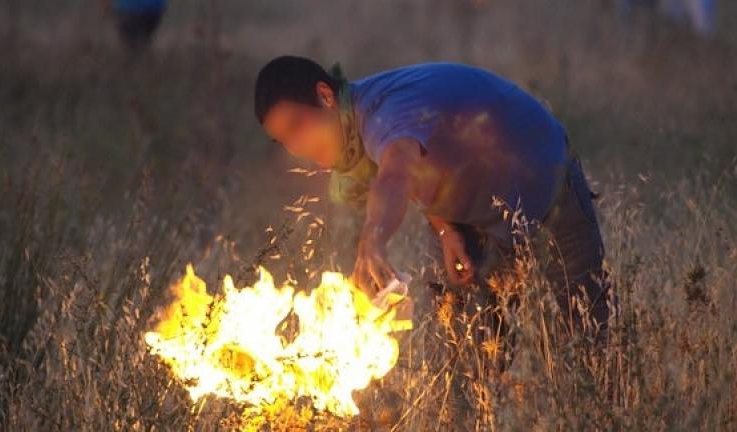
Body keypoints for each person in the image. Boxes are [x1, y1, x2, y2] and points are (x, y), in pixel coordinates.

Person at [253, 57, 610, 330]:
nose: (297, 147)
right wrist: (444, 228)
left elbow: (395, 174)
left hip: (546, 190)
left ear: (325, 95)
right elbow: (417, 168)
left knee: (587, 342)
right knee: (464, 365)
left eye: (297, 126)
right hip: (469, 215)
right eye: (284, 140)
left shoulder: (383, 112)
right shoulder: (350, 133)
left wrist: (373, 241)